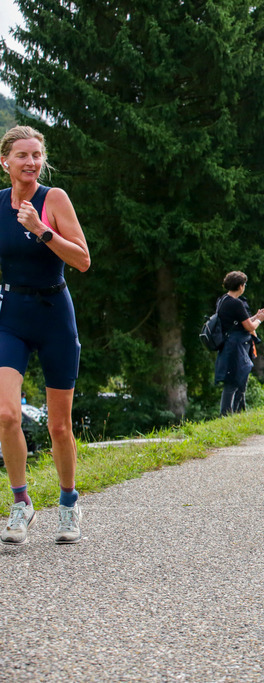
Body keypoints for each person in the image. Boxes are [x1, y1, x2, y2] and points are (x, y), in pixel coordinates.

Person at [0, 126, 91, 546]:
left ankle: (68, 505)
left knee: (58, 425)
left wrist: (42, 229)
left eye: (37, 155)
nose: (31, 162)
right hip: (12, 315)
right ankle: (21, 503)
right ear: (5, 162)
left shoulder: (53, 199)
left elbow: (83, 260)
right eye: (22, 155)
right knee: (6, 414)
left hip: (56, 314)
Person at [215, 271, 264, 416]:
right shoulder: (236, 303)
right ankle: (225, 416)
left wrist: (255, 316)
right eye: (244, 284)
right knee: (233, 382)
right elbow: (249, 327)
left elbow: (239, 322)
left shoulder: (223, 300)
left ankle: (239, 414)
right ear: (240, 286)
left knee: (240, 380)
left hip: (229, 344)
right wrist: (260, 319)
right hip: (236, 346)